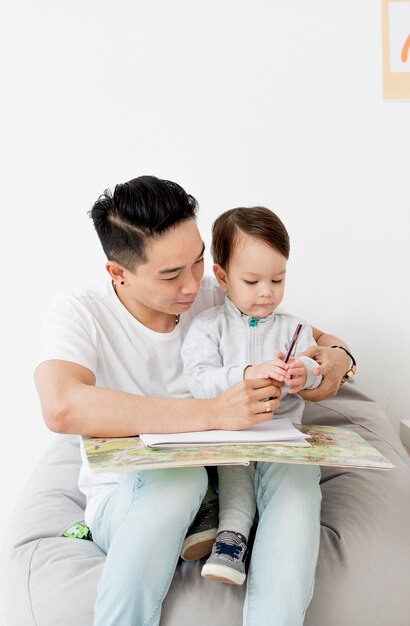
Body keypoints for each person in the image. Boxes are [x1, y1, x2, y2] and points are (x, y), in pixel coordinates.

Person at [33, 175, 356, 626]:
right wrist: (210, 412)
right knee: (179, 480)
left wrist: (338, 360)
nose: (193, 285)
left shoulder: (217, 294)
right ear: (118, 273)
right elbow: (62, 406)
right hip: (130, 495)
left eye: (198, 260)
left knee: (297, 482)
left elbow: (318, 340)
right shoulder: (79, 312)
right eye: (170, 274)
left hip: (235, 477)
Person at [181, 206, 323, 587]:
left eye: (277, 279)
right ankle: (232, 538)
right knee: (235, 474)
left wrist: (302, 374)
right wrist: (245, 374)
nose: (267, 292)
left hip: (284, 435)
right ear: (223, 277)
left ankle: (268, 536)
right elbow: (199, 380)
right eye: (253, 281)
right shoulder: (208, 326)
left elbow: (315, 370)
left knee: (290, 482)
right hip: (232, 436)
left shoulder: (294, 327)